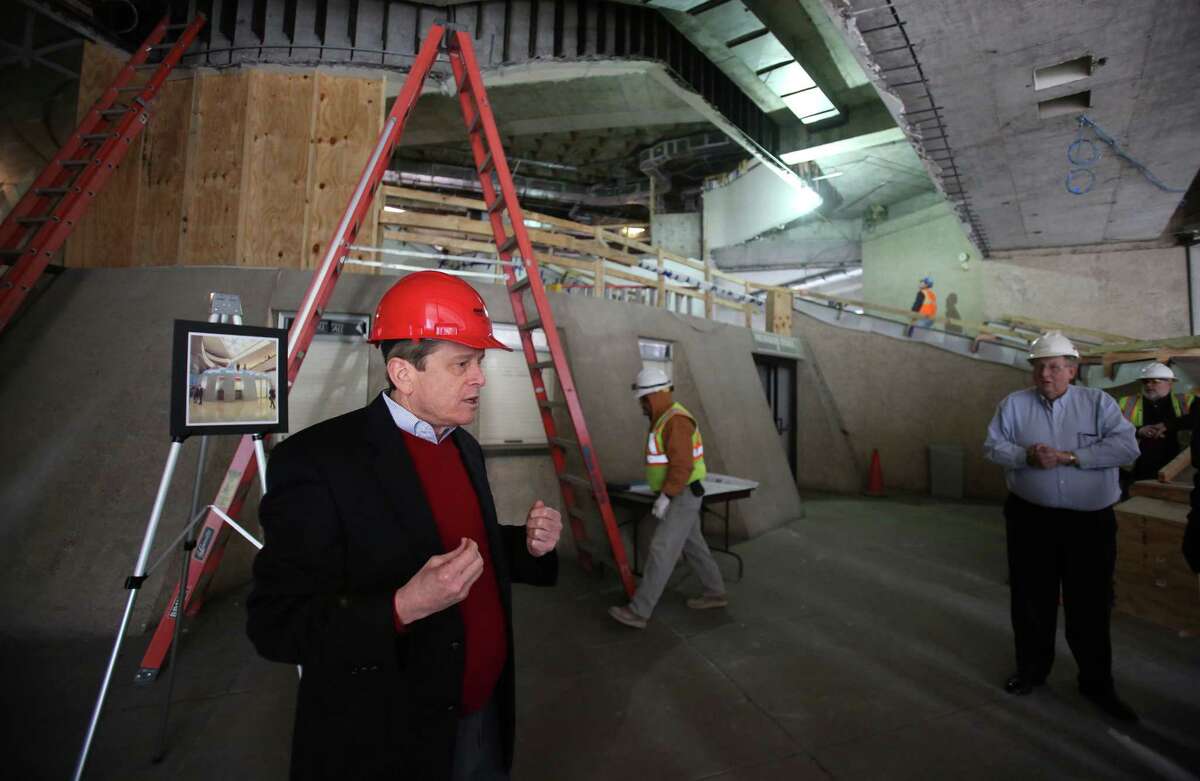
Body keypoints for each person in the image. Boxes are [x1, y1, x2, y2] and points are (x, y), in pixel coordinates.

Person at [247, 270, 563, 780]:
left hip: (483, 710)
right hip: (389, 739)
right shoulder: (316, 463)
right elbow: (276, 624)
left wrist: (525, 546)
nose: (479, 377)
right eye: (462, 363)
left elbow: (460, 546)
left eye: (478, 362)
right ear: (403, 372)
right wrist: (402, 606)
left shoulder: (463, 446)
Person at [983, 330, 1140, 721]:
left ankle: (1096, 683)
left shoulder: (1098, 403)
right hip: (1030, 519)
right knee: (1031, 600)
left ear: (1072, 370)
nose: (1046, 375)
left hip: (1089, 524)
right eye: (1039, 367)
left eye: (1055, 367)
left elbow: (1127, 448)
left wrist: (1071, 457)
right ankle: (1032, 671)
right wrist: (1024, 455)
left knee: (1089, 604)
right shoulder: (1014, 405)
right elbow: (992, 447)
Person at [608, 367, 726, 629]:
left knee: (662, 549)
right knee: (694, 546)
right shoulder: (666, 418)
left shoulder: (675, 421)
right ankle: (715, 592)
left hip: (681, 494)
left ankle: (639, 611)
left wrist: (666, 497)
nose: (641, 406)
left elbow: (681, 465)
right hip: (681, 493)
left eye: (643, 400)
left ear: (654, 396)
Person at [1116, 362, 1194, 492]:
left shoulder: (1187, 401)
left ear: (1170, 382)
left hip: (1177, 470)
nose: (1148, 385)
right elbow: (1110, 428)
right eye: (1145, 381)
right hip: (1136, 469)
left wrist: (1168, 425)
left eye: (1155, 381)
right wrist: (1138, 431)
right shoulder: (1126, 402)